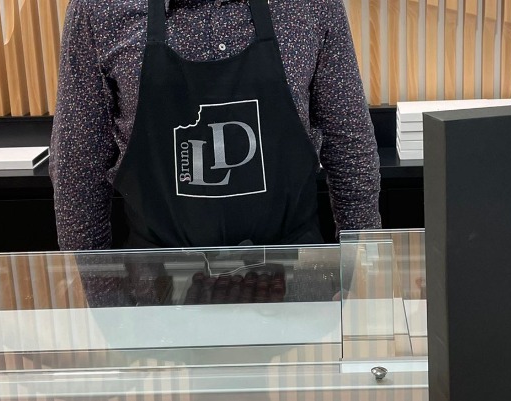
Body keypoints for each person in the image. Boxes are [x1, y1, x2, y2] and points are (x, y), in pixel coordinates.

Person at [50, 0, 381, 250]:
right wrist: (96, 296)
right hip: (159, 288)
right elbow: (78, 167)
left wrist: (365, 272)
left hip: (291, 279)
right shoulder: (99, 9)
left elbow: (349, 144)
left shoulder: (312, 5)